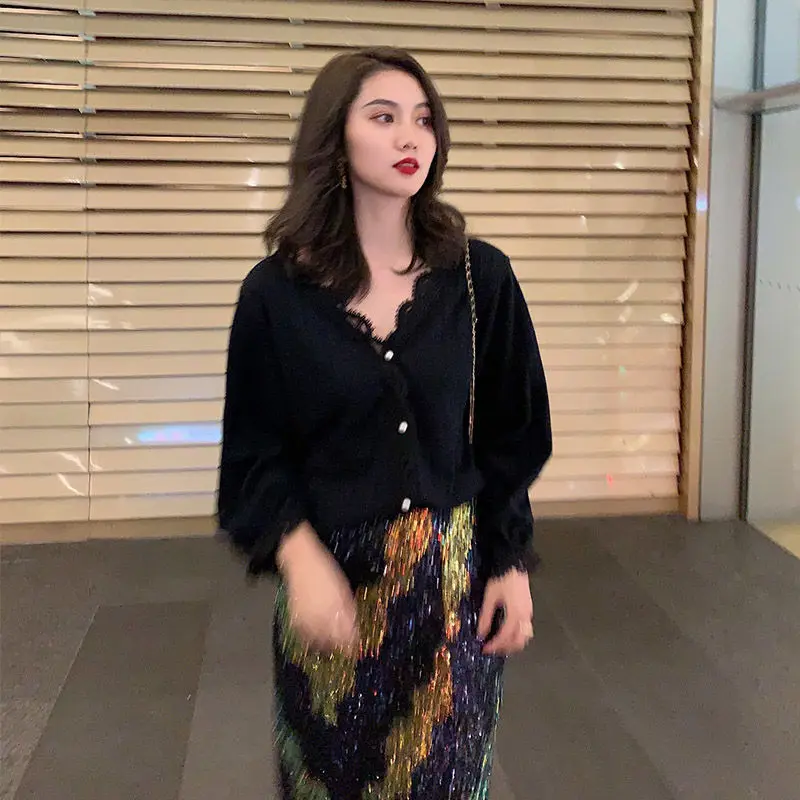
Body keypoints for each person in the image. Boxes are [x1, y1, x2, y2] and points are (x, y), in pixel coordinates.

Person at [217, 47, 552, 800]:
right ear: (334, 139)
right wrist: (300, 559)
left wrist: (510, 561)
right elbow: (253, 456)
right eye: (384, 117)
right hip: (332, 591)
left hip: (451, 592)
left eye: (424, 120)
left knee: (447, 781)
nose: (411, 137)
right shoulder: (275, 295)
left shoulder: (480, 277)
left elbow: (513, 435)